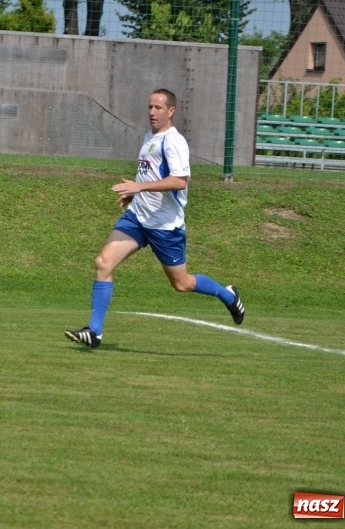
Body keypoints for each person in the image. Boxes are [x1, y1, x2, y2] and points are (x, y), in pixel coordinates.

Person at [64, 88, 244, 349]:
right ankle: (94, 332)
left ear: (171, 111)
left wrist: (140, 188)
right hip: (138, 217)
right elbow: (151, 176)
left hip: (164, 226)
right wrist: (135, 192)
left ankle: (227, 295)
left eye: (158, 108)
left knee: (181, 284)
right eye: (149, 107)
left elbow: (179, 181)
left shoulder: (173, 141)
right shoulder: (150, 136)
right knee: (103, 263)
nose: (151, 112)